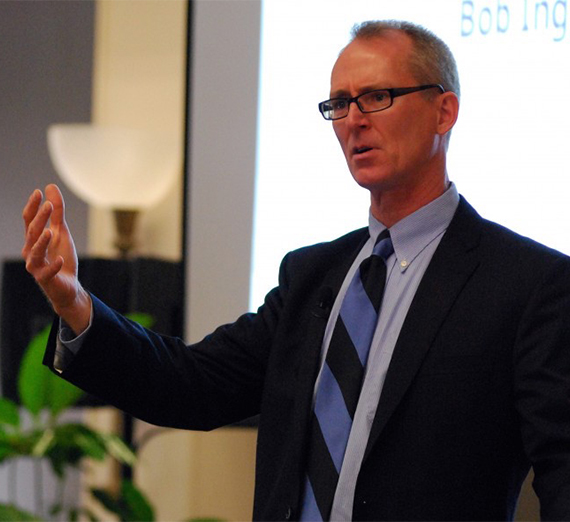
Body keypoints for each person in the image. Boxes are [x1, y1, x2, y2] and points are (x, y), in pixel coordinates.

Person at [22, 20, 570, 522]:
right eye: (339, 103)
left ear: (443, 112)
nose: (354, 120)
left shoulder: (528, 285)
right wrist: (74, 302)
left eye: (377, 97)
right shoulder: (313, 275)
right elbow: (193, 384)